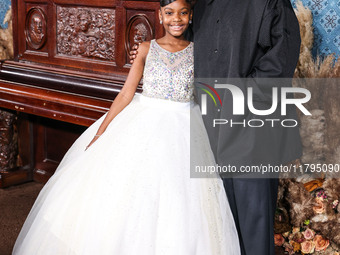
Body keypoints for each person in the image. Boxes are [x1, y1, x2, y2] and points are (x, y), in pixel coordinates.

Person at [12, 0, 241, 254]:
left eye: (183, 13)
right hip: (146, 121)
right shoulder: (145, 49)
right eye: (170, 13)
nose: (177, 19)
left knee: (183, 199)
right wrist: (102, 130)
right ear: (160, 15)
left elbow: (206, 92)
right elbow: (125, 94)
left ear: (190, 15)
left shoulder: (198, 52)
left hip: (185, 127)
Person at [130, 0, 302, 254]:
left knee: (253, 218)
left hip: (252, 127)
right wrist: (152, 55)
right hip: (207, 127)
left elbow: (280, 62)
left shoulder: (270, 3)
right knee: (219, 220)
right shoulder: (200, 5)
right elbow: (183, 50)